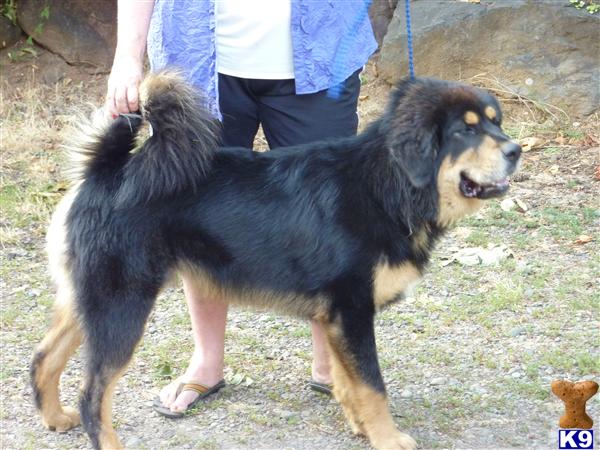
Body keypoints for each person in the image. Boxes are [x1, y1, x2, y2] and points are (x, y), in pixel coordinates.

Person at [105, 0, 377, 417]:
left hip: (322, 56)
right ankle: (207, 361)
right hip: (196, 64)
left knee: (328, 217)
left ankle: (331, 364)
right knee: (198, 215)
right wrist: (127, 57)